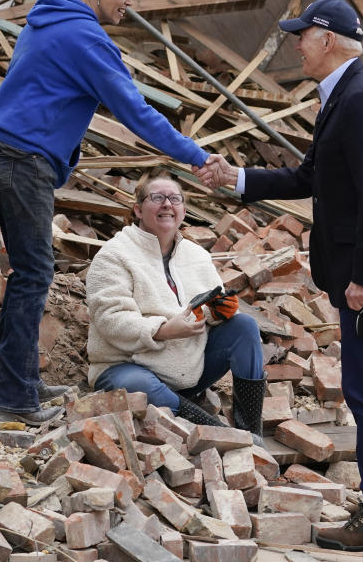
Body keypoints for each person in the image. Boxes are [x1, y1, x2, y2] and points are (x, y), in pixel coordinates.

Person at [198, 0, 363, 552]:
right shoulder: (344, 96)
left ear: (326, 39)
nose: (295, 45)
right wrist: (238, 179)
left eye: (301, 35)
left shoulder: (362, 101)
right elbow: (310, 176)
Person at [0, 0, 215, 426]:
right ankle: (14, 399)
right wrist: (196, 156)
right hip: (20, 159)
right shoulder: (84, 37)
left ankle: (23, 384)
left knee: (30, 273)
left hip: (6, 155)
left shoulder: (48, 20)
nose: (128, 4)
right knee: (33, 276)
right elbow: (136, 113)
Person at [85, 173, 266, 442]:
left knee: (244, 326)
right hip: (129, 367)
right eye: (157, 198)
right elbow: (110, 320)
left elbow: (208, 311)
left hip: (188, 371)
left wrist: (219, 313)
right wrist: (163, 330)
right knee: (140, 386)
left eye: (175, 198)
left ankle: (250, 430)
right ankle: (223, 436)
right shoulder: (114, 255)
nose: (167, 204)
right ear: (138, 209)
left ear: (183, 209)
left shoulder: (198, 256)